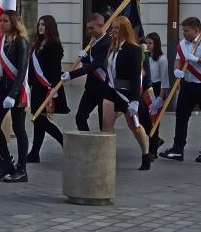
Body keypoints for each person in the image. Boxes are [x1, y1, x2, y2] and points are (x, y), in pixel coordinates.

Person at [160, 17, 201, 163]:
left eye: (187, 30)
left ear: (196, 30)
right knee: (181, 116)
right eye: (183, 30)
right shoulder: (183, 43)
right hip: (188, 85)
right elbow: (178, 59)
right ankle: (177, 149)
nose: (184, 33)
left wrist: (196, 59)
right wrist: (176, 70)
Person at [102, 17, 151, 170]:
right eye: (113, 28)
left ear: (125, 29)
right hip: (111, 90)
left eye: (116, 28)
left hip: (127, 92)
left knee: (134, 126)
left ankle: (145, 154)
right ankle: (108, 157)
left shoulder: (134, 49)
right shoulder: (113, 47)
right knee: (106, 123)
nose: (113, 31)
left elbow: (136, 76)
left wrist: (135, 100)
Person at [0, 10, 30, 183]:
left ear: (14, 22)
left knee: (19, 128)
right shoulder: (2, 40)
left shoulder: (21, 42)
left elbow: (22, 71)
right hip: (3, 89)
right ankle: (7, 161)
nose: (2, 23)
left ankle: (22, 170)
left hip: (17, 90)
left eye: (5, 21)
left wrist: (14, 94)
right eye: (1, 21)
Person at [27, 15, 68, 163]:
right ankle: (35, 153)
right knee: (39, 120)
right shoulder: (37, 43)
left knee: (39, 119)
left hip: (47, 87)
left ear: (50, 26)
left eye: (43, 24)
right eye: (39, 24)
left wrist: (53, 89)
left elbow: (55, 70)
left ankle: (64, 143)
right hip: (36, 87)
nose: (40, 27)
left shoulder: (54, 45)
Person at [62, 13, 110, 132]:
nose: (88, 31)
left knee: (102, 122)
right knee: (80, 118)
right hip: (91, 88)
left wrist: (71, 75)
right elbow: (92, 60)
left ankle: (103, 149)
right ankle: (87, 143)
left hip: (104, 88)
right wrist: (84, 57)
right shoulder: (94, 40)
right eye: (87, 28)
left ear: (101, 25)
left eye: (91, 28)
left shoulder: (107, 42)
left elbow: (95, 65)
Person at [145, 32, 169, 155]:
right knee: (146, 120)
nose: (147, 45)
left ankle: (152, 151)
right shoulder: (145, 57)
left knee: (154, 121)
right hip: (147, 88)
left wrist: (160, 98)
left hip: (157, 89)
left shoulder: (162, 59)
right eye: (146, 43)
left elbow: (165, 81)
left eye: (150, 43)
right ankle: (156, 141)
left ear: (156, 44)